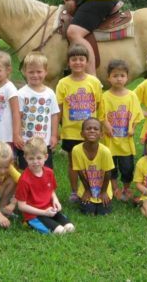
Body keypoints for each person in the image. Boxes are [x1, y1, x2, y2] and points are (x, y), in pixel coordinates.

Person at [56, 44, 103, 202]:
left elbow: (98, 105)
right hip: (70, 131)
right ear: (68, 62)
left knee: (92, 161)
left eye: (81, 59)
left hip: (91, 132)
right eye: (74, 59)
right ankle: (74, 191)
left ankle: (91, 189)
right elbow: (60, 108)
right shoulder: (63, 83)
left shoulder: (94, 82)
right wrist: (56, 128)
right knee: (73, 162)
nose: (77, 63)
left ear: (87, 62)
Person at [98, 59, 143, 202]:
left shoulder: (131, 96)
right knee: (111, 166)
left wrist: (133, 128)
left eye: (122, 75)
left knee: (127, 167)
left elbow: (136, 115)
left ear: (127, 78)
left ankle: (126, 187)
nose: (119, 79)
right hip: (110, 140)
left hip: (125, 141)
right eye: (115, 75)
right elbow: (101, 115)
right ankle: (115, 188)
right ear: (108, 78)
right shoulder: (105, 96)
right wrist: (106, 125)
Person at [16, 137, 75, 234]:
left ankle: (50, 220)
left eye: (39, 158)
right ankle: (28, 223)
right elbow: (21, 206)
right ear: (25, 158)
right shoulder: (24, 179)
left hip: (49, 209)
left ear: (46, 157)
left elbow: (51, 190)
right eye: (31, 158)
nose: (35, 162)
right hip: (34, 214)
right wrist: (44, 213)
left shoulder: (49, 172)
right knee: (60, 232)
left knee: (70, 228)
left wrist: (56, 201)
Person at [16, 52, 60, 170]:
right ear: (25, 72)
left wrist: (54, 135)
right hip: (26, 142)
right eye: (31, 72)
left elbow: (54, 115)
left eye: (39, 71)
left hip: (44, 142)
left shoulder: (50, 93)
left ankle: (45, 189)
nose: (35, 75)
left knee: (46, 171)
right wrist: (17, 135)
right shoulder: (21, 94)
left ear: (46, 71)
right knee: (26, 172)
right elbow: (18, 116)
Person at [72, 118, 114, 216]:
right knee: (88, 211)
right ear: (82, 134)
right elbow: (80, 172)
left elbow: (108, 173)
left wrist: (103, 192)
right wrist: (87, 190)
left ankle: (104, 196)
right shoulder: (76, 150)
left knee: (102, 212)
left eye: (96, 129)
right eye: (88, 128)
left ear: (101, 134)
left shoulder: (105, 151)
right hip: (87, 186)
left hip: (103, 187)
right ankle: (85, 195)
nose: (92, 130)